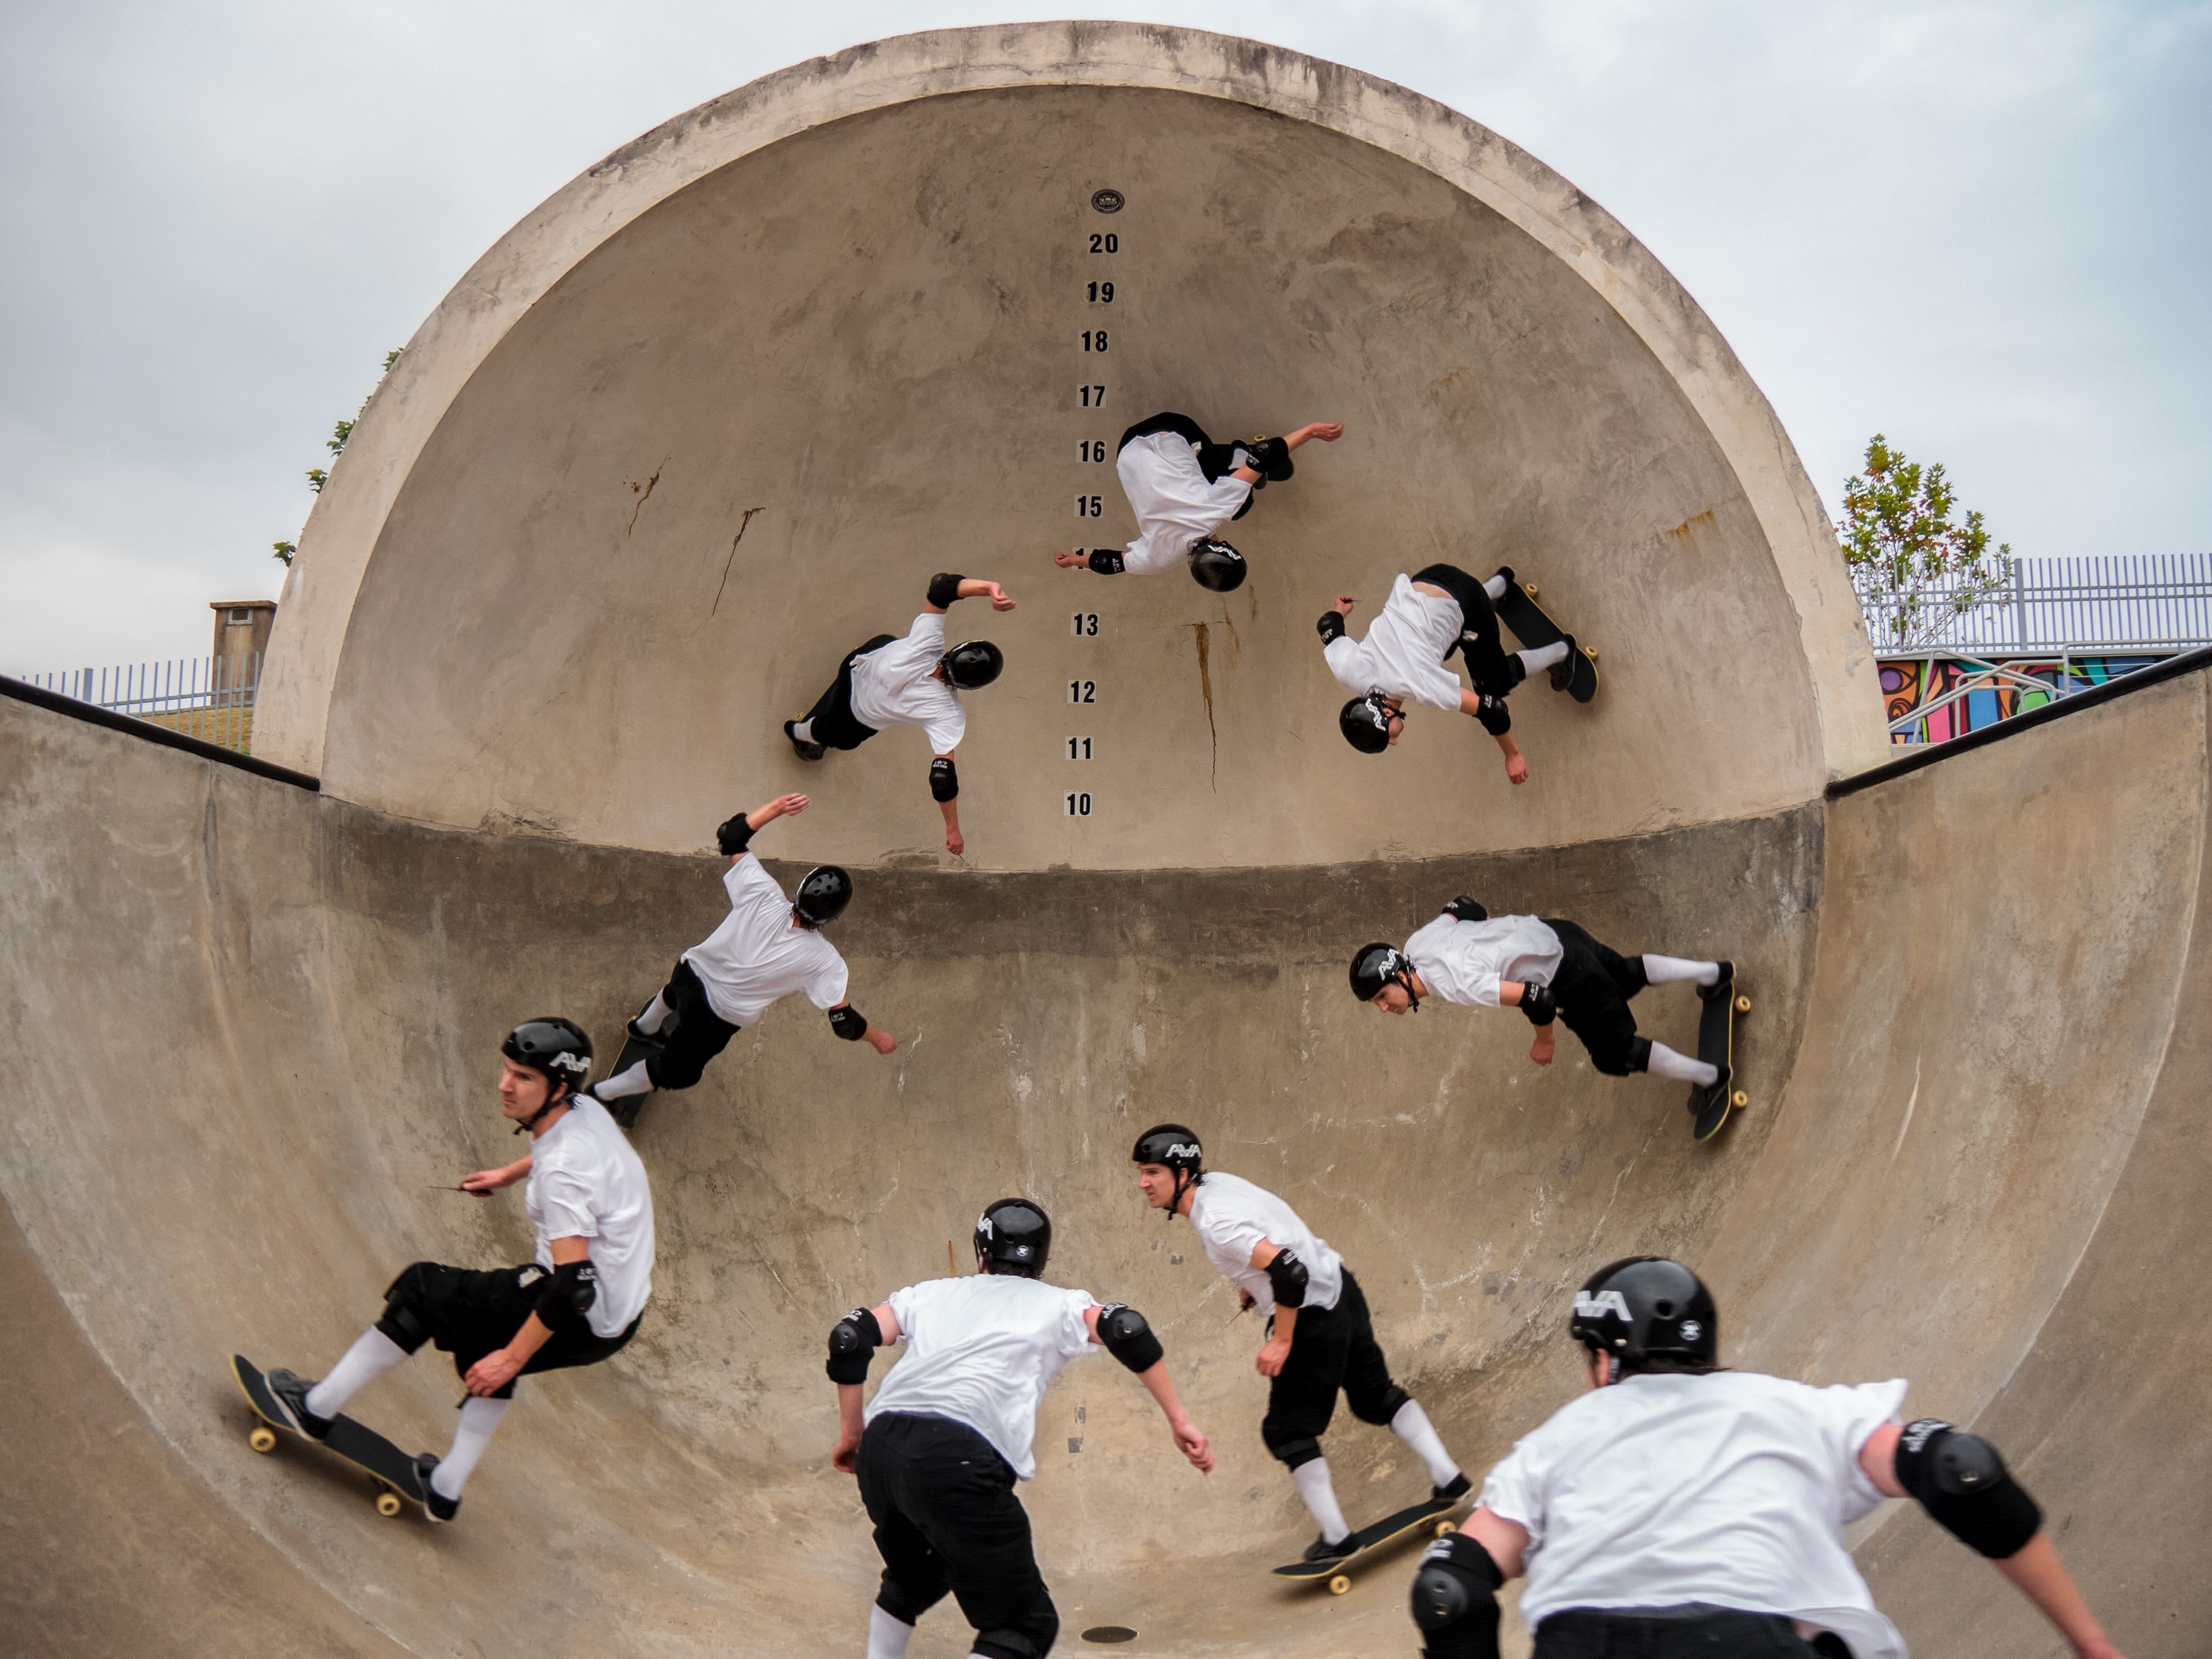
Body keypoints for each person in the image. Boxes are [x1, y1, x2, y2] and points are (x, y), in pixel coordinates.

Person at [1407, 1256, 2126, 1659]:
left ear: (1603, 1360)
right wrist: (2090, 1645)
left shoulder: (1556, 1441)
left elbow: (1452, 1591)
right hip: (1746, 1638)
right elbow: (1956, 1469)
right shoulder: (1789, 1408)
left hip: (1580, 1643)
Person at [260, 1018, 653, 1522]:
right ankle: (444, 1489)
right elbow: (567, 1159)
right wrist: (510, 1174)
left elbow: (569, 1286)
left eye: (523, 1079)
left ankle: (314, 1410)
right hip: (620, 1316)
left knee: (425, 1289)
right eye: (508, 1071)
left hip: (576, 1305)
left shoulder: (563, 1176)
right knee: (481, 1334)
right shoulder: (584, 1110)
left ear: (556, 1087)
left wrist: (510, 1360)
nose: (504, 1086)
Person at [828, 1198, 1213, 1659]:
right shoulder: (1060, 1305)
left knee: (916, 1575)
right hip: (957, 1455)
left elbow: (848, 1339)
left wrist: (853, 1434)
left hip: (883, 1449)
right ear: (1041, 1260)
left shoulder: (930, 1294)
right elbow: (1127, 1329)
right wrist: (1180, 1420)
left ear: (981, 1252)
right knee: (1024, 1627)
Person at [1130, 1124, 1469, 1566]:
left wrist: (1283, 1340)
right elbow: (1281, 1239)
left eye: (1152, 1172)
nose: (1143, 1183)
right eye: (1142, 1172)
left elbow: (1289, 1273)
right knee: (1374, 1396)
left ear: (1181, 1172)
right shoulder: (1219, 1185)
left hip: (1312, 1317)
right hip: (1341, 1288)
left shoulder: (1215, 1222)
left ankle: (1337, 1538)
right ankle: (1450, 1478)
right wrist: (1256, 1284)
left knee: (1287, 1432)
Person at [588, 793, 894, 1128]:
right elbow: (844, 1023)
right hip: (715, 1018)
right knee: (676, 1072)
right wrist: (877, 1038)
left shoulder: (763, 893)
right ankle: (600, 1095)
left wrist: (778, 808)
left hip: (690, 971)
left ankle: (644, 1027)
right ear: (831, 918)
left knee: (675, 993)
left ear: (800, 890)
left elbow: (731, 836)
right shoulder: (825, 961)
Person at [1350, 898, 1733, 1119]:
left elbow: (1538, 998)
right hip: (1557, 932)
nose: (1384, 1009)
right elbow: (1462, 906)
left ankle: (1710, 1079)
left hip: (1563, 973)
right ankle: (1715, 974)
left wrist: (1544, 1041)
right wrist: (1491, 934)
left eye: (1383, 998)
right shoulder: (1416, 943)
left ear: (1399, 978)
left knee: (1614, 1053)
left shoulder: (1456, 982)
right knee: (1623, 973)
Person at [782, 574, 1014, 856]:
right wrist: (953, 829)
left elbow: (942, 587)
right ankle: (798, 733)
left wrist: (989, 588)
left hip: (858, 663)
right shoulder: (948, 714)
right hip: (856, 713)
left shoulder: (929, 642)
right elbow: (942, 779)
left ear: (955, 652)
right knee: (837, 737)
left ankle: (866, 652)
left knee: (887, 640)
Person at [1321, 565, 1573, 785]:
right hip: (1427, 579)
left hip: (1466, 598)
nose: (1394, 742)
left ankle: (1563, 651)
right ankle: (1501, 583)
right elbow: (1328, 628)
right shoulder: (1349, 671)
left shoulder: (1420, 684)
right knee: (1442, 641)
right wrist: (1340, 610)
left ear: (1385, 714)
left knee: (1493, 684)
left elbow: (1492, 710)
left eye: (1388, 738)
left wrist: (1513, 755)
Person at [1054, 412, 1344, 590]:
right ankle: (1218, 464)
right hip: (1124, 450)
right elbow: (1110, 563)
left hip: (1170, 427)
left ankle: (1236, 454)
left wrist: (1311, 432)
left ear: (1224, 545)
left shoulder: (1217, 509)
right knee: (1230, 489)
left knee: (1242, 503)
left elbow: (1266, 454)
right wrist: (1073, 561)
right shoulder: (1157, 560)